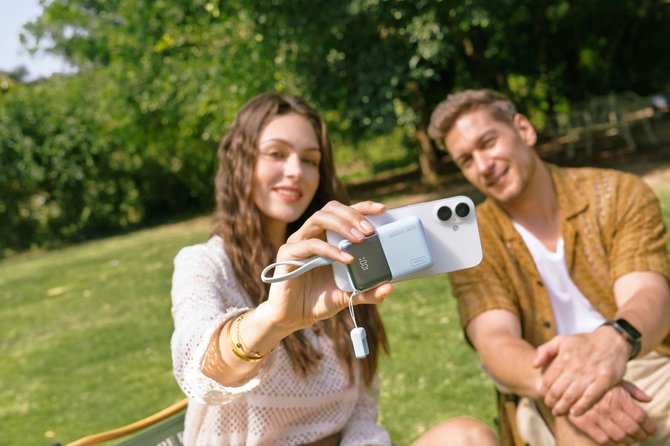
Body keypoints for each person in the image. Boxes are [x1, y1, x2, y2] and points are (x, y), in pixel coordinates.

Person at [170, 92, 499, 445]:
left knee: (469, 437)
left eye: (310, 160)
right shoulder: (204, 263)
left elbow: (360, 408)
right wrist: (273, 321)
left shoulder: (337, 261)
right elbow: (199, 369)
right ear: (240, 161)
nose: (296, 171)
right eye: (276, 153)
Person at [427, 88, 670, 446]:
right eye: (466, 160)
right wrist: (572, 386)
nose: (483, 165)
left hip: (640, 359)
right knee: (579, 418)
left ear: (523, 129)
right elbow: (495, 341)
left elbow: (647, 294)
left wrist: (614, 343)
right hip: (542, 382)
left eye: (489, 142)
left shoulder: (618, 192)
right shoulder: (470, 240)